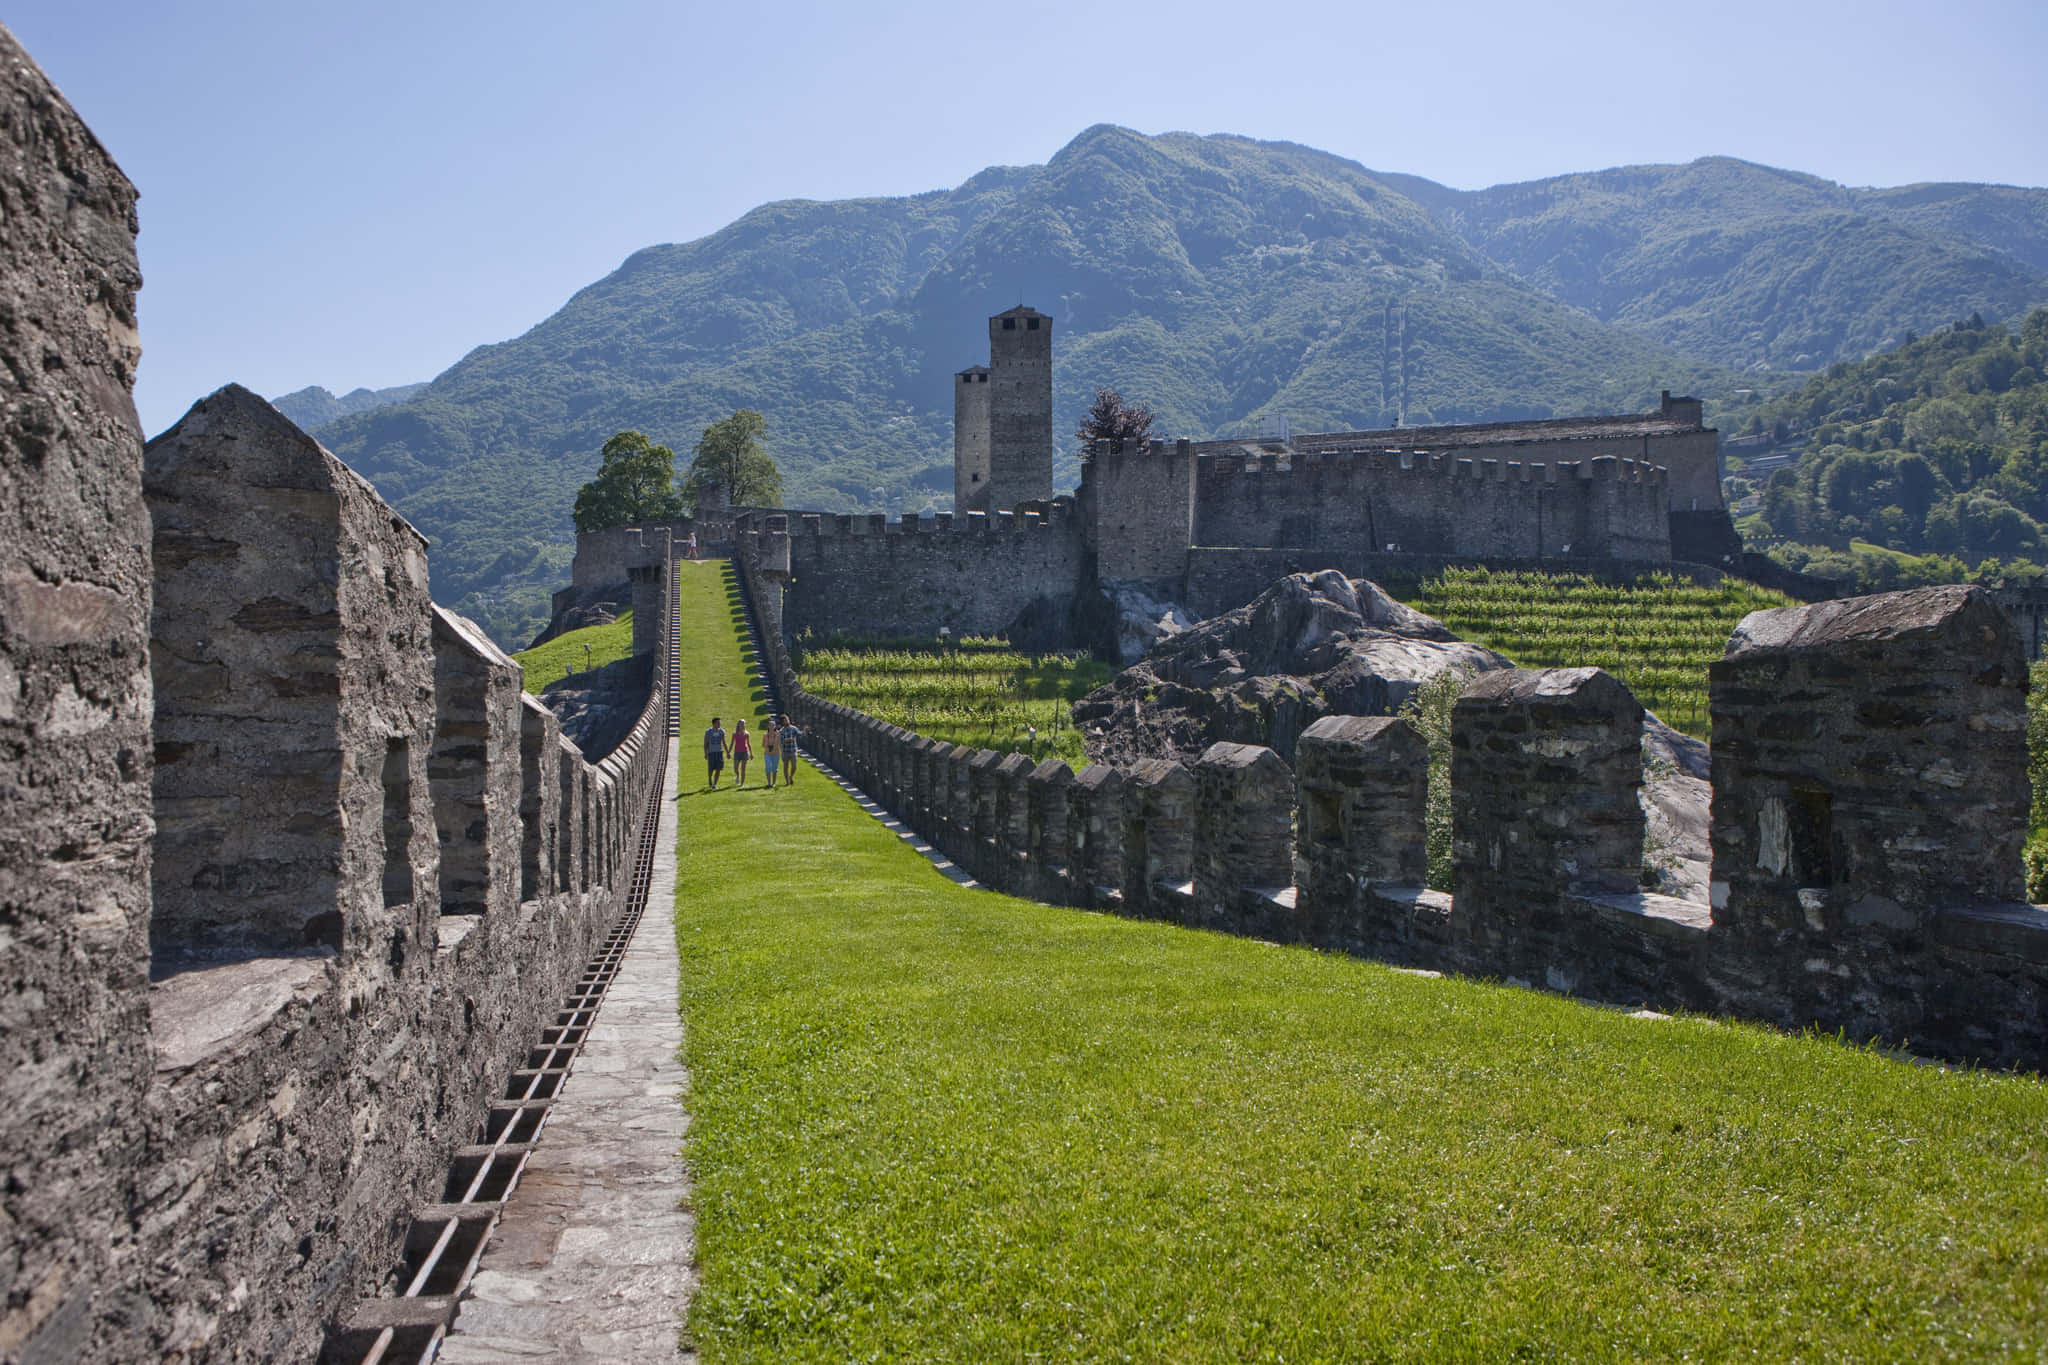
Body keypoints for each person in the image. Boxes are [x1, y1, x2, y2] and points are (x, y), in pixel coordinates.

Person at [778, 714, 804, 786]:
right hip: (785, 751)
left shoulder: (793, 728)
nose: (788, 721)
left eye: (788, 719)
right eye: (786, 720)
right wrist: (787, 740)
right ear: (783, 722)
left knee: (794, 766)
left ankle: (791, 776)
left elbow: (799, 734)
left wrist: (804, 731)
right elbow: (780, 741)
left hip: (793, 750)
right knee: (785, 766)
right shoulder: (781, 731)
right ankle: (787, 782)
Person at [703, 716, 726, 789]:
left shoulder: (721, 731)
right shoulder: (708, 732)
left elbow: (724, 742)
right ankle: (710, 779)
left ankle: (714, 784)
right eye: (718, 723)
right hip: (711, 753)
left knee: (719, 768)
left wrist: (728, 752)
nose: (719, 724)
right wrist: (705, 753)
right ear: (714, 724)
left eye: (720, 723)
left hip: (719, 752)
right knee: (711, 769)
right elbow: (705, 743)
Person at [761, 716, 781, 788]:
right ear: (768, 727)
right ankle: (769, 783)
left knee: (775, 768)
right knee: (768, 768)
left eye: (773, 725)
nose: (771, 727)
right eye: (770, 725)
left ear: (775, 726)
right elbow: (763, 745)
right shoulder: (765, 735)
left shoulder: (778, 734)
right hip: (767, 753)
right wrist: (768, 746)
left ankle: (774, 783)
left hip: (776, 753)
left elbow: (779, 744)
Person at [730, 719, 752, 786]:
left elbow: (748, 744)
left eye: (743, 723)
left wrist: (751, 753)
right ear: (738, 724)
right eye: (741, 723)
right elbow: (732, 743)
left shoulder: (746, 733)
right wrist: (728, 752)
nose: (742, 725)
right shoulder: (734, 734)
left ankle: (742, 784)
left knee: (743, 768)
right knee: (735, 768)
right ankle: (738, 775)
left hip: (744, 752)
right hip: (737, 752)